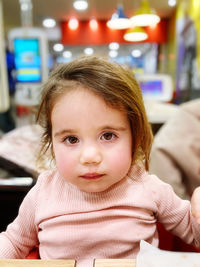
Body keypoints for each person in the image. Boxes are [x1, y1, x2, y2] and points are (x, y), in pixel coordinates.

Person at [0, 56, 200, 265]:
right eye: (71, 139)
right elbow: (14, 242)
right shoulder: (43, 192)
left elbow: (194, 235)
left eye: (108, 136)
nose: (89, 157)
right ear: (52, 141)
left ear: (135, 137)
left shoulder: (149, 188)